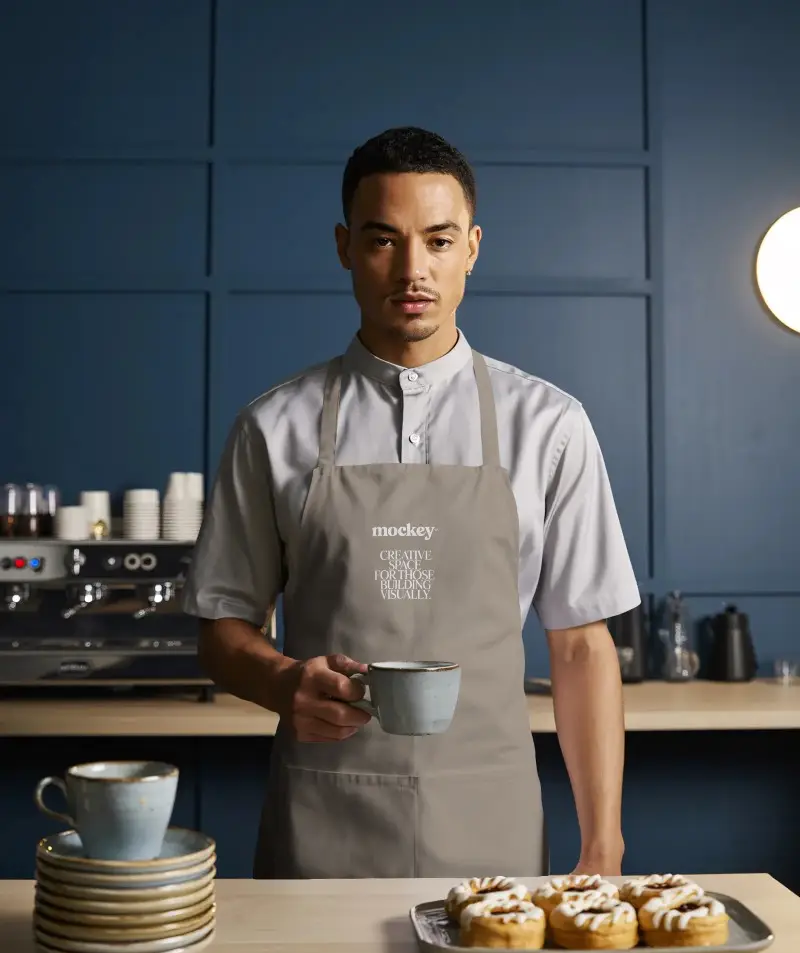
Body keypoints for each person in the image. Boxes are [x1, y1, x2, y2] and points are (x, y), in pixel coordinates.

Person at [182, 126, 641, 879]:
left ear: (473, 248)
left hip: (490, 821)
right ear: (344, 248)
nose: (412, 270)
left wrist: (603, 845)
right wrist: (281, 681)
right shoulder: (272, 427)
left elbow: (581, 648)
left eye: (438, 240)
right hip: (322, 818)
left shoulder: (550, 425)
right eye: (383, 240)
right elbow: (222, 628)